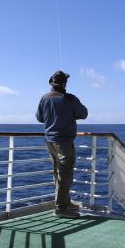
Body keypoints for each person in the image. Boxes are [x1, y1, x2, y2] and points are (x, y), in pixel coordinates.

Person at [36, 70, 88, 218]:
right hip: (64, 141)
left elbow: (40, 118)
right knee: (65, 174)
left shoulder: (44, 98)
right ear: (64, 83)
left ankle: (65, 202)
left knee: (58, 172)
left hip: (50, 141)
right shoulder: (69, 99)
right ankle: (61, 209)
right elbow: (84, 114)